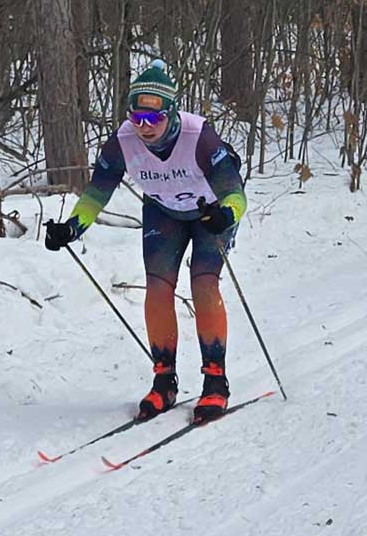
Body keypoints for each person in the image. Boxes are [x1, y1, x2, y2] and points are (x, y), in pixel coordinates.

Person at [45, 60, 247, 424]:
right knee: (156, 288)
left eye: (153, 120)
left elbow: (235, 195)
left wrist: (226, 216)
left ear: (170, 114)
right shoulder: (123, 141)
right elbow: (96, 194)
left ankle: (215, 381)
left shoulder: (198, 135)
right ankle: (163, 380)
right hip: (163, 211)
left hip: (209, 213)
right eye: (136, 118)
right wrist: (72, 227)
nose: (144, 127)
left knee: (203, 284)